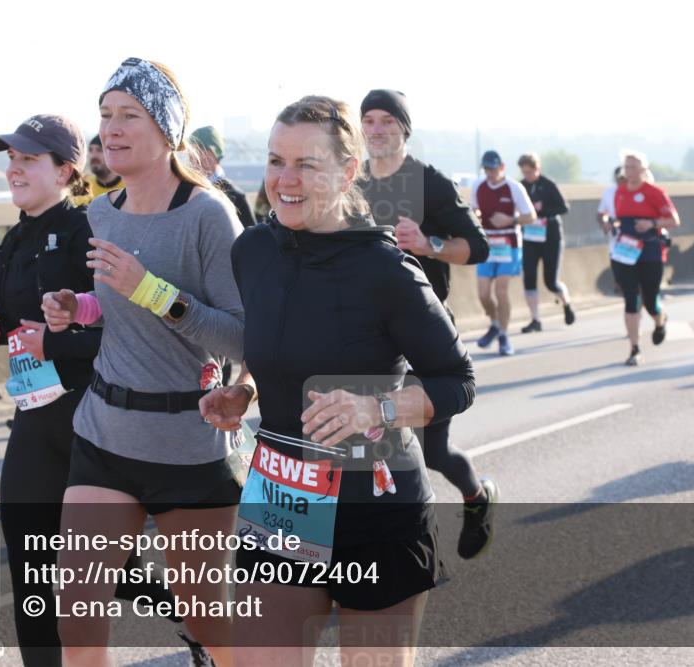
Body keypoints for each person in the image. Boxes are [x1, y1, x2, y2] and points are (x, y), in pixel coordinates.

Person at [200, 94, 475, 667]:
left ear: (348, 171)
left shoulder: (387, 270)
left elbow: (456, 380)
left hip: (374, 511)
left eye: (307, 164)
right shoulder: (253, 251)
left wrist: (378, 410)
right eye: (276, 161)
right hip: (282, 499)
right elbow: (278, 342)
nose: (285, 179)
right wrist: (246, 390)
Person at [41, 57, 245, 667]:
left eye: (130, 115)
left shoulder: (209, 215)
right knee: (74, 612)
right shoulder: (101, 212)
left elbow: (241, 339)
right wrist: (75, 308)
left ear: (167, 129)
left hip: (187, 444)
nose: (112, 128)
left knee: (205, 619)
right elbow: (118, 308)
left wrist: (152, 290)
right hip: (105, 434)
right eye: (105, 115)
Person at [0, 113, 101, 667]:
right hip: (32, 413)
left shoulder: (90, 231)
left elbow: (118, 330)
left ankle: (190, 622)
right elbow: (19, 322)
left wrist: (57, 344)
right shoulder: (12, 240)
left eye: (28, 159)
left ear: (65, 170)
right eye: (11, 159)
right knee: (29, 563)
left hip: (90, 418)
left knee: (100, 573)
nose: (14, 168)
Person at [357, 89, 496, 560]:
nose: (376, 130)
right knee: (372, 448)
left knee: (429, 452)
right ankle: (390, 548)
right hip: (368, 338)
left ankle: (476, 498)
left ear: (404, 129)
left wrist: (429, 244)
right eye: (369, 121)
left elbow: (477, 247)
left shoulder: (427, 183)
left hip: (424, 336)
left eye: (386, 121)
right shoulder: (352, 182)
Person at [612, 151, 681, 366]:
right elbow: (618, 216)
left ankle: (660, 321)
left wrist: (651, 224)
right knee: (630, 299)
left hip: (650, 250)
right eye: (627, 167)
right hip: (625, 251)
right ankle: (635, 348)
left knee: (650, 300)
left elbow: (674, 220)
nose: (629, 171)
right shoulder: (620, 192)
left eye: (633, 167)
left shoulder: (654, 193)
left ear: (643, 169)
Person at [471, 150, 537, 356]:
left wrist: (511, 220)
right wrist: (476, 217)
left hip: (509, 244)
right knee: (483, 294)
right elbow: (474, 211)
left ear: (502, 167)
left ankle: (503, 336)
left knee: (501, 291)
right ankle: (495, 323)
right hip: (488, 243)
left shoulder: (513, 187)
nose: (490, 173)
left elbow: (531, 216)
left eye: (493, 168)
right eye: (487, 169)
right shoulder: (478, 186)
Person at [517, 153, 575, 332]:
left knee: (550, 281)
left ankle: (566, 303)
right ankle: (535, 319)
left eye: (530, 172)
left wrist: (542, 211)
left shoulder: (548, 185)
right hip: (530, 238)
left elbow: (563, 207)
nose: (527, 176)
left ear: (537, 169)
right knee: (529, 278)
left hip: (550, 237)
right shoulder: (521, 187)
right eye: (524, 172)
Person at [190, 125, 255, 229]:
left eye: (196, 151)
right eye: (190, 152)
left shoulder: (236, 197)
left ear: (211, 154)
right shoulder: (188, 191)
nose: (191, 157)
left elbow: (252, 240)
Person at [83, 135, 125, 201]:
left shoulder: (129, 188)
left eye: (100, 150)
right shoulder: (84, 189)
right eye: (90, 150)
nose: (93, 156)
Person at [597, 166, 625, 235]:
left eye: (623, 178)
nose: (621, 180)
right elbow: (602, 213)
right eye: (619, 178)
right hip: (615, 236)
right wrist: (605, 222)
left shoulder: (634, 192)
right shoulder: (608, 192)